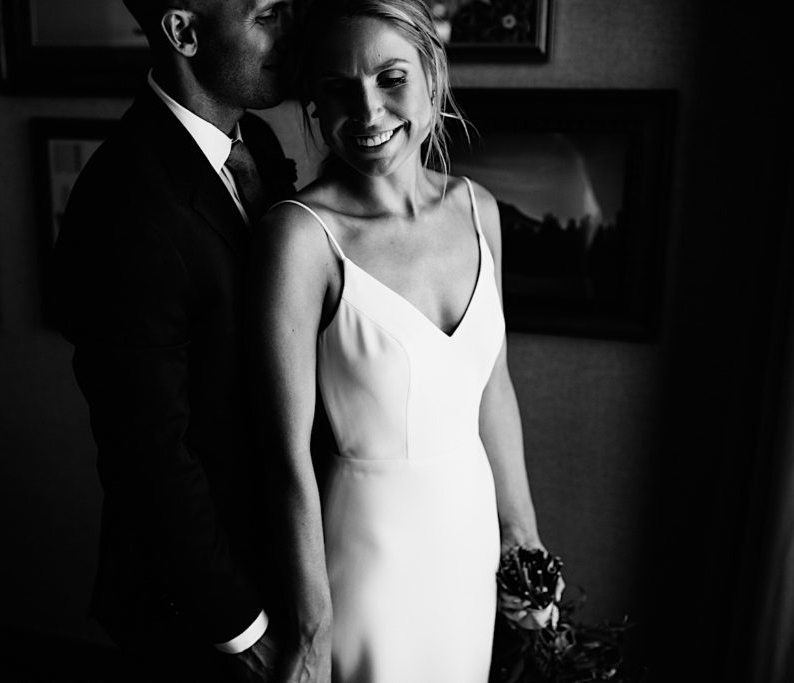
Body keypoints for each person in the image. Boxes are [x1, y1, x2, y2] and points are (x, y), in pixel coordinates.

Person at [254, 0, 548, 680]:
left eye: (391, 78)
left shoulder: (479, 210)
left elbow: (493, 386)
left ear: (432, 77)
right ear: (314, 106)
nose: (367, 113)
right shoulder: (300, 238)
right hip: (369, 557)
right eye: (338, 90)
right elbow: (283, 452)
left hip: (468, 543)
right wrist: (312, 624)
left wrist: (523, 537)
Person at [51, 1, 298, 680]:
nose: (291, 29)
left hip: (280, 556)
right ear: (184, 32)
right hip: (196, 606)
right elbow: (148, 450)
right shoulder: (124, 202)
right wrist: (239, 627)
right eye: (268, 13)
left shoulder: (261, 150)